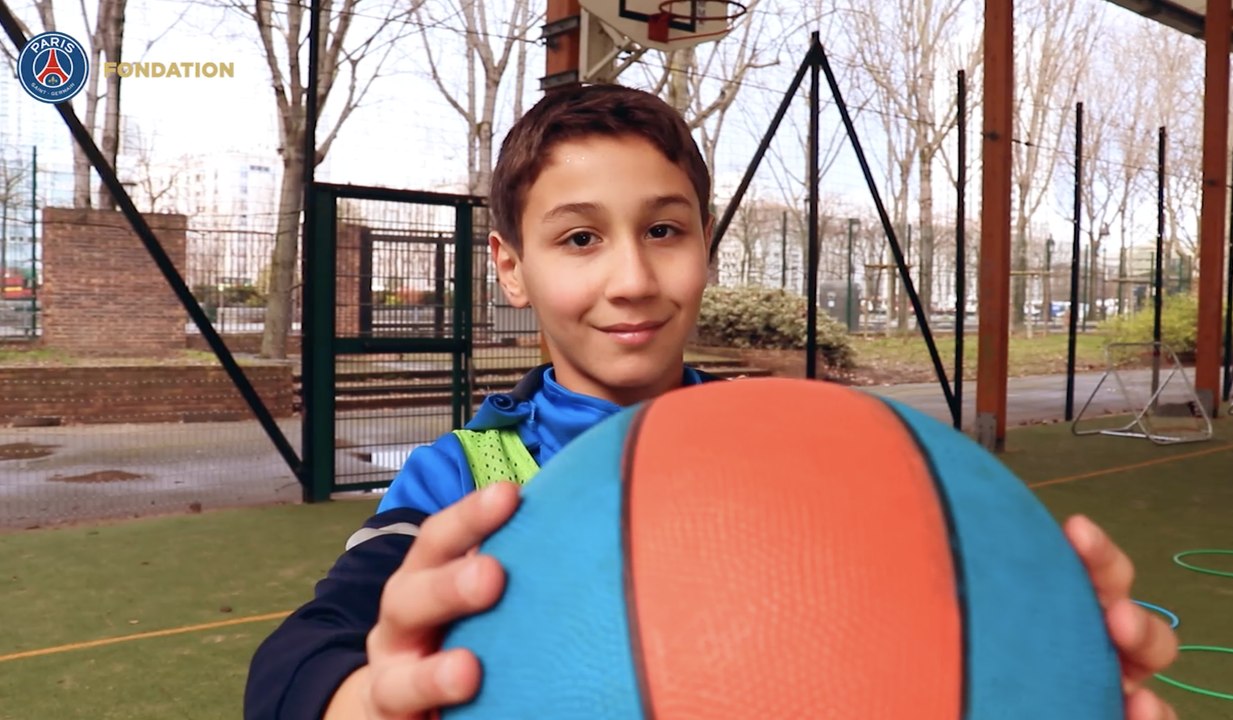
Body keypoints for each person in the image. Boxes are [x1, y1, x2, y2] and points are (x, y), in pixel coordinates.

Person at [244, 84, 1179, 720]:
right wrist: (362, 698)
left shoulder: (787, 446)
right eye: (578, 239)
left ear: (704, 244)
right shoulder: (467, 476)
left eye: (663, 230)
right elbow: (293, 661)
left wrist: (1038, 644)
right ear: (510, 269)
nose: (633, 279)